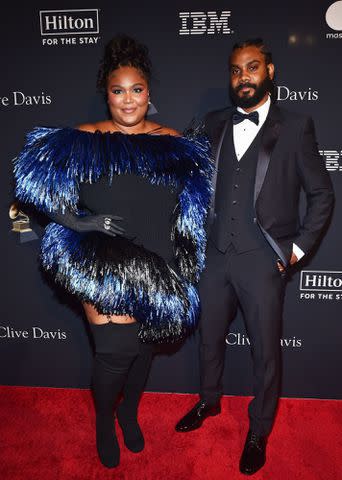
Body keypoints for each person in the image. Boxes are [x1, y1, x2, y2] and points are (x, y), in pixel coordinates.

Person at [14, 34, 212, 469]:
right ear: (106, 94)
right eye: (117, 91)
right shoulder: (83, 138)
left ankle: (128, 411)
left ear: (149, 93)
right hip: (101, 261)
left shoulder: (172, 142)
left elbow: (192, 208)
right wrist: (80, 222)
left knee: (142, 349)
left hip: (157, 263)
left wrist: (185, 261)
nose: (128, 101)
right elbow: (31, 185)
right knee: (115, 351)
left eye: (136, 90)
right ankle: (106, 419)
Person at [175, 38, 334, 475]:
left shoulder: (297, 126)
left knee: (265, 352)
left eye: (251, 67)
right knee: (208, 338)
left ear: (270, 70)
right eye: (235, 70)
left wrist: (296, 250)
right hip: (214, 257)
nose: (242, 76)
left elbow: (322, 194)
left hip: (262, 260)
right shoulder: (211, 124)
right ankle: (209, 401)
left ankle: (259, 428)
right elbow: (187, 180)